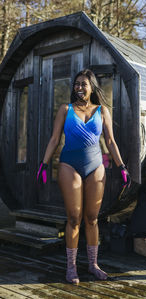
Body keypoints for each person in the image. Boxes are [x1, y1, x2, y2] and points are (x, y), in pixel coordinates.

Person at [37, 69, 131, 284]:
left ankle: (93, 264)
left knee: (92, 218)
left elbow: (110, 142)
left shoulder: (102, 111)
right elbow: (54, 139)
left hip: (96, 166)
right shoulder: (65, 109)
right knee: (73, 218)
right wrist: (44, 164)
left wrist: (121, 166)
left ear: (92, 87)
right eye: (76, 84)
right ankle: (71, 267)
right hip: (69, 165)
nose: (79, 87)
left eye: (84, 84)